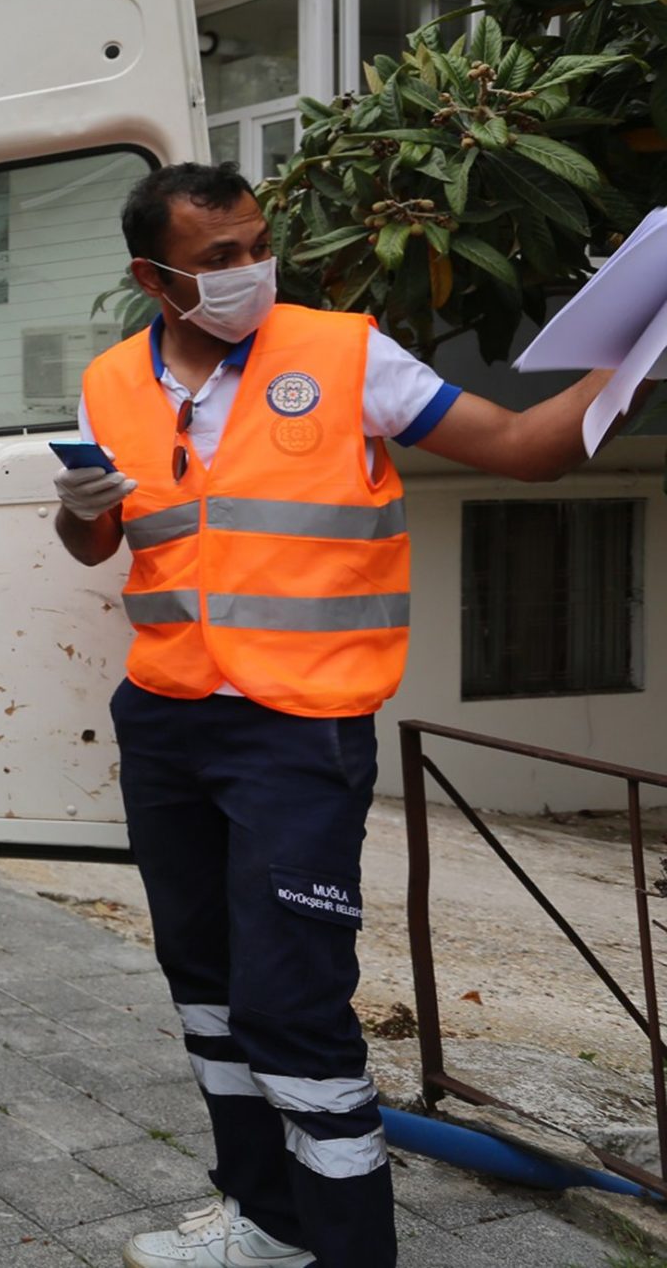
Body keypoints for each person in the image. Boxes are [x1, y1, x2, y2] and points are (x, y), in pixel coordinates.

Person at [55, 163, 630, 1268]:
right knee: (207, 991)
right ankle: (262, 1222)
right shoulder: (110, 385)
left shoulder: (344, 353)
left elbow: (527, 450)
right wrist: (78, 516)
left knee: (292, 1010)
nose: (248, 271)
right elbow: (110, 544)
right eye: (217, 258)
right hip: (168, 717)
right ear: (151, 275)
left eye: (256, 245)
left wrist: (639, 360)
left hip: (296, 730)